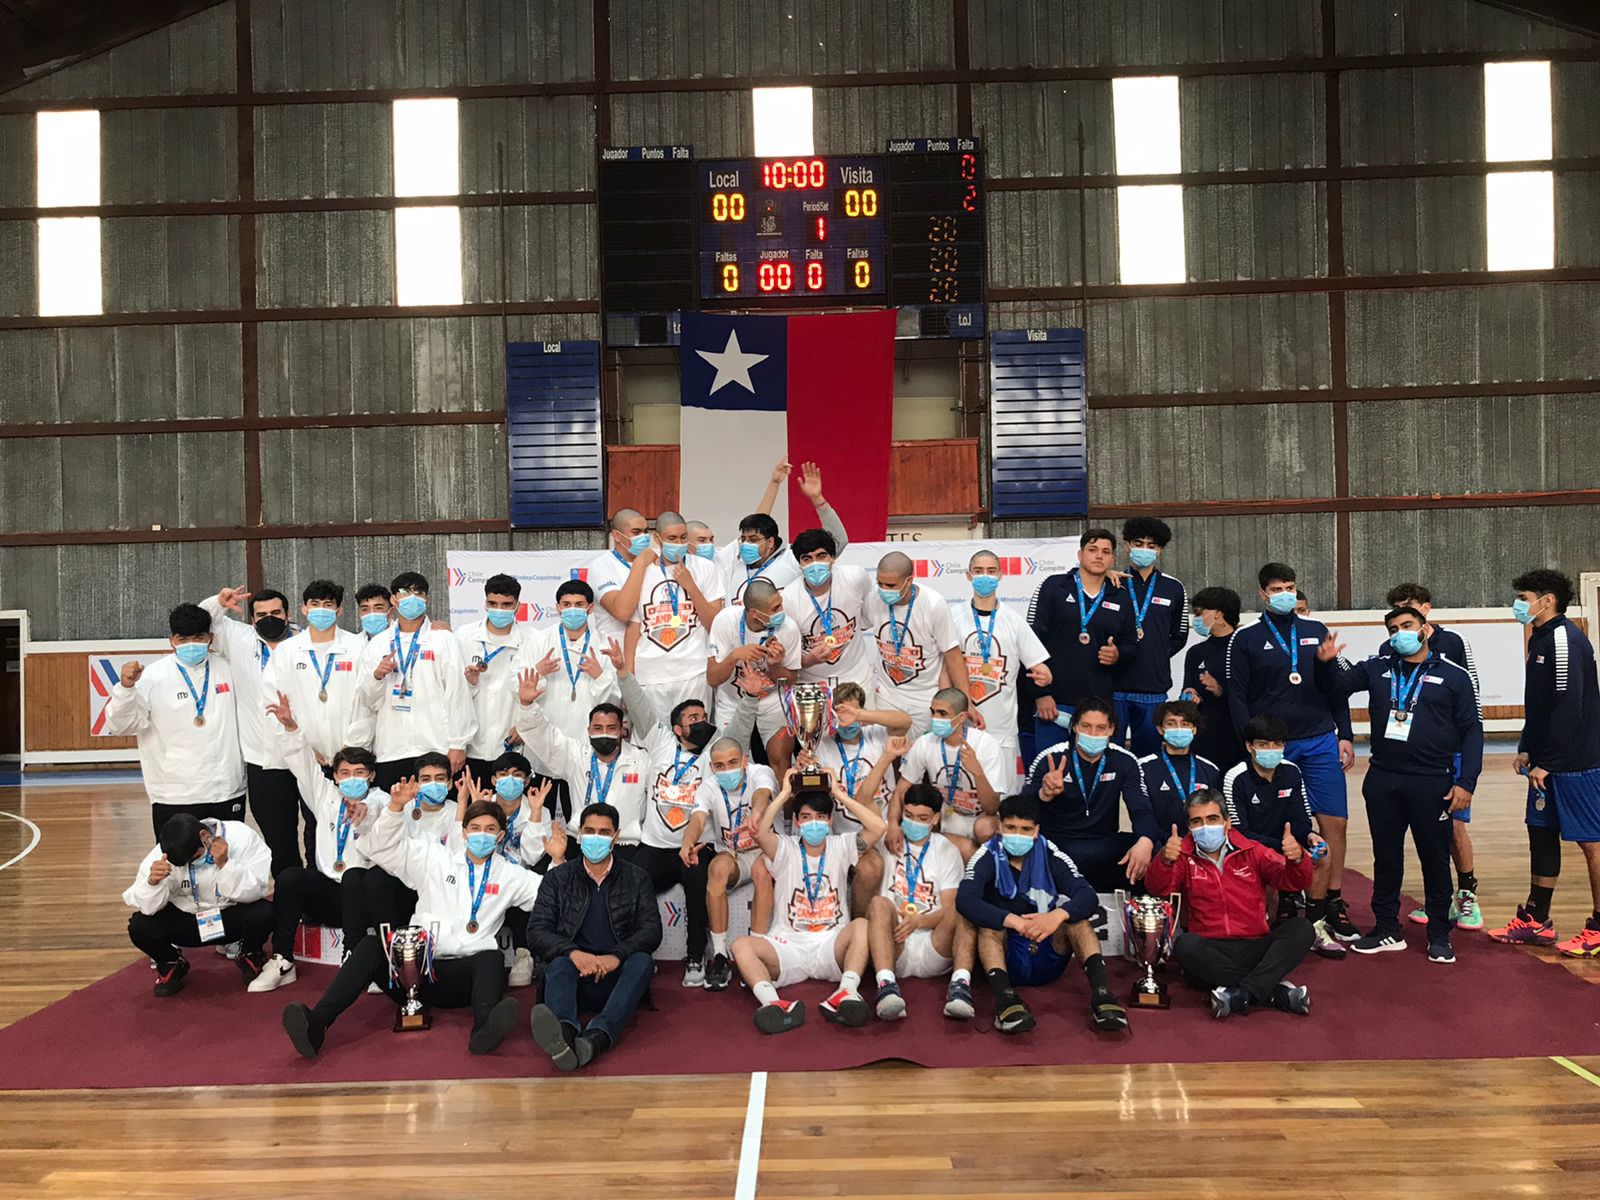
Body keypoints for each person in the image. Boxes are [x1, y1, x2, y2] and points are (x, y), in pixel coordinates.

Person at [280, 787, 535, 1058]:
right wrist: (394, 809)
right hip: (416, 969)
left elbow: (547, 895)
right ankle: (317, 1023)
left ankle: (485, 1029)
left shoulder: (511, 875)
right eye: (474, 827)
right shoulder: (434, 858)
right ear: (464, 832)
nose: (481, 834)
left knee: (492, 959)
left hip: (466, 979)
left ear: (499, 836)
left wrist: (557, 860)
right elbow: (384, 849)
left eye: (489, 829)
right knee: (371, 945)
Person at [1318, 607, 1482, 963]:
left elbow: (1472, 730)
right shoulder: (1378, 667)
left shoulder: (1453, 675)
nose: (1399, 633)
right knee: (1387, 857)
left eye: (1407, 626)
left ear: (1424, 628)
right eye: (1393, 628)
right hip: (1383, 779)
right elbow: (1340, 687)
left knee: (1435, 860)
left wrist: (1466, 782)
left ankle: (1439, 934)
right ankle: (1387, 929)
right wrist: (1329, 662)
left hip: (1432, 781)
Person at [1225, 563, 1357, 944]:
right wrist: (1247, 744)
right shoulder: (1245, 639)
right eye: (1277, 588)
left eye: (1291, 587)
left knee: (1335, 824)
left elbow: (1336, 690)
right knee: (1280, 826)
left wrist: (1344, 735)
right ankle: (1286, 895)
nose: (1285, 593)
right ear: (1263, 594)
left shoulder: (1317, 632)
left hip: (1318, 739)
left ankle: (1332, 899)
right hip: (1273, 747)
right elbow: (1237, 696)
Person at [616, 653, 758, 986]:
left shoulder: (715, 753)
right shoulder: (661, 741)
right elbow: (639, 707)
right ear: (678, 728)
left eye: (704, 716)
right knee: (633, 887)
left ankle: (696, 956)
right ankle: (641, 955)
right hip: (655, 845)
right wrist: (623, 673)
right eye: (693, 718)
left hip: (697, 845)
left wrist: (750, 697)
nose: (701, 722)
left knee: (698, 889)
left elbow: (738, 730)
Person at [1489, 569, 1600, 956]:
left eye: (1524, 596)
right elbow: (1541, 705)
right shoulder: (1539, 637)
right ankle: (1537, 919)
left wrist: (1548, 761)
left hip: (1575, 764)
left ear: (1546, 600)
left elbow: (1569, 705)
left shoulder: (1566, 639)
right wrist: (1525, 747)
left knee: (1591, 842)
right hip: (1545, 761)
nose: (1519, 604)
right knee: (1541, 833)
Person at [955, 793, 1127, 1033]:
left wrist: (1056, 917)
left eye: (1025, 829)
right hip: (1006, 954)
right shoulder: (986, 854)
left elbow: (1086, 895)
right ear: (999, 828)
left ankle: (1103, 996)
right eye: (1011, 827)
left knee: (1077, 920)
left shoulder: (1052, 853)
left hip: (1046, 946)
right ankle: (1006, 1001)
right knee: (988, 924)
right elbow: (965, 900)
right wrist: (1011, 920)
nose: (1018, 835)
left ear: (1036, 831)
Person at [732, 769, 887, 1033]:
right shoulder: (785, 848)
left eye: (819, 817)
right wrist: (784, 794)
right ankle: (775, 1005)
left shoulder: (843, 845)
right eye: (805, 817)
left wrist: (838, 794)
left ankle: (845, 993)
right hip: (788, 945)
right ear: (796, 820)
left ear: (829, 821)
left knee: (861, 925)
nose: (813, 823)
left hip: (830, 944)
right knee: (740, 946)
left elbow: (879, 827)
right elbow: (759, 835)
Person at [250, 692, 383, 992]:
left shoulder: (382, 802)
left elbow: (381, 817)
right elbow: (303, 765)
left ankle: (354, 956)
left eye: (360, 773)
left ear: (372, 776)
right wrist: (290, 726)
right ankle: (283, 960)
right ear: (335, 777)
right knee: (291, 877)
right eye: (345, 773)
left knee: (354, 877)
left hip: (363, 899)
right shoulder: (324, 796)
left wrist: (367, 814)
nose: (352, 779)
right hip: (329, 896)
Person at [1145, 789, 1314, 1019]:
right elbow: (1158, 888)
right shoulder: (1181, 856)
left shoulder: (1253, 851)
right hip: (1209, 950)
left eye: (1212, 819)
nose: (1205, 826)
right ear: (1189, 827)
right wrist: (1164, 860)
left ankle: (1242, 995)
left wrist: (1297, 860)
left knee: (1302, 929)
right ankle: (1272, 991)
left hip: (1254, 944)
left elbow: (1294, 882)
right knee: (1184, 946)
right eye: (1197, 821)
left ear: (1227, 822)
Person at [527, 802, 663, 1070]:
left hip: (617, 976)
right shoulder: (558, 878)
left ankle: (597, 1037)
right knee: (558, 963)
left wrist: (616, 956)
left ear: (616, 836)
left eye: (603, 832)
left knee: (642, 962)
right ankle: (564, 1035)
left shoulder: (637, 878)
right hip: (573, 974)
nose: (595, 838)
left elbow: (651, 930)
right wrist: (574, 954)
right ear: (579, 835)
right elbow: (536, 931)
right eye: (589, 831)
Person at [1384, 582, 1484, 930]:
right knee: (1428, 834)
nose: (1402, 622)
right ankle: (1437, 899)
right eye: (1395, 609)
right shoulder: (1391, 647)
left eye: (1408, 607)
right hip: (1410, 760)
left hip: (1451, 753)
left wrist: (1467, 766)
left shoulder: (1454, 642)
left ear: (1425, 608)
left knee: (1455, 826)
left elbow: (1471, 696)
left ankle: (1467, 895)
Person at [102, 603, 246, 837]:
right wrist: (126, 688)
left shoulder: (229, 670)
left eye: (198, 637)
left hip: (226, 790)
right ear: (172, 640)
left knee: (227, 862)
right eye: (183, 638)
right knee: (176, 867)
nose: (191, 644)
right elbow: (120, 726)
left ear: (210, 638)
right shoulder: (152, 676)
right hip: (174, 795)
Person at [196, 585, 302, 873]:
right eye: (262, 615)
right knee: (279, 838)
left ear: (287, 614)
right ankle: (288, 895)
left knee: (319, 831)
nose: (270, 619)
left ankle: (320, 896)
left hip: (308, 755)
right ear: (252, 620)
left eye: (276, 612)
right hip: (263, 760)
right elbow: (201, 618)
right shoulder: (240, 639)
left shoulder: (305, 642)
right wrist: (218, 601)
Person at [265, 580, 365, 865]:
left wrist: (351, 751)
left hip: (352, 759)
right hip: (309, 758)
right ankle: (319, 892)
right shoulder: (286, 651)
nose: (322, 610)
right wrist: (305, 751)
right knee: (314, 824)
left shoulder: (357, 646)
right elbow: (274, 705)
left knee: (358, 820)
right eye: (316, 604)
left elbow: (367, 703)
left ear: (340, 611)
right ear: (304, 609)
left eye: (329, 605)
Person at [349, 572, 476, 788]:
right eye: (405, 592)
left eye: (418, 592)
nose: (412, 597)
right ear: (393, 600)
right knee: (396, 815)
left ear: (426, 598)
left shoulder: (443, 639)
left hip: (437, 747)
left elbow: (457, 694)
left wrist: (458, 744)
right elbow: (367, 702)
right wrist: (377, 676)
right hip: (391, 749)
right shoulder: (378, 644)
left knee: (438, 816)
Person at [124, 813, 273, 996]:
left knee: (264, 912)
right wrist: (152, 884)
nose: (191, 864)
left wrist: (226, 865)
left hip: (229, 917)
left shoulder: (241, 837)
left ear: (204, 836)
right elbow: (147, 908)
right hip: (187, 922)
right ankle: (170, 962)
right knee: (140, 926)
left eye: (194, 858)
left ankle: (250, 954)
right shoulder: (161, 854)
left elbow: (257, 890)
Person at [1021, 698, 1157, 892]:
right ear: (1075, 727)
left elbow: (1141, 808)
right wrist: (1044, 794)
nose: (1093, 734)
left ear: (1111, 730)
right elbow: (1021, 810)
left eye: (1101, 728)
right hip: (1057, 843)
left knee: (1153, 847)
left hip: (1103, 841)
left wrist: (1145, 840)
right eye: (1086, 726)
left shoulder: (1125, 761)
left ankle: (1137, 914)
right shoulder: (1051, 758)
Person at [1023, 529, 1137, 752]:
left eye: (1105, 552)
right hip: (1054, 703)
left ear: (1112, 558)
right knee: (1050, 773)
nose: (1098, 556)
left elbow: (1132, 646)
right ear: (1080, 554)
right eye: (1092, 550)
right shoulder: (1054, 586)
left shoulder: (1120, 595)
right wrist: (1041, 694)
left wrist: (1118, 655)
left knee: (1094, 777)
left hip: (1097, 705)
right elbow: (1030, 643)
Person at [868, 783, 974, 1021]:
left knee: (964, 905)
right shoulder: (888, 841)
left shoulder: (946, 849)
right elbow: (864, 802)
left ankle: (960, 985)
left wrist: (920, 921)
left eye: (922, 817)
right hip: (895, 942)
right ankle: (886, 985)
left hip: (935, 943)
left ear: (936, 818)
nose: (914, 822)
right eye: (909, 816)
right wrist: (893, 823)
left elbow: (949, 908)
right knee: (877, 903)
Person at [949, 549, 1051, 792]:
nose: (985, 576)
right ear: (968, 575)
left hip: (1001, 728)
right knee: (961, 795)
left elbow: (1040, 666)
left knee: (1000, 795)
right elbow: (944, 668)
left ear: (1001, 575)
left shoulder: (1013, 620)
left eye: (991, 571)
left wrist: (1044, 675)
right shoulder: (953, 617)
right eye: (979, 571)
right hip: (960, 725)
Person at [514, 670, 650, 849]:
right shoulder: (575, 755)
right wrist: (527, 705)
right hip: (581, 841)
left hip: (626, 843)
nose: (604, 733)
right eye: (598, 727)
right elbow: (544, 735)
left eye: (611, 728)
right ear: (588, 730)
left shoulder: (642, 760)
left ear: (622, 730)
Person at [684, 736, 778, 990]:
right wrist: (687, 843)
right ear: (713, 768)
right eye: (720, 765)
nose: (727, 770)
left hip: (763, 849)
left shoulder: (760, 772)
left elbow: (762, 793)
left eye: (733, 762)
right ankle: (719, 954)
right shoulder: (709, 786)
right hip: (733, 853)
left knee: (762, 870)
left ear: (745, 761)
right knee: (716, 869)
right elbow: (698, 819)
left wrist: (756, 814)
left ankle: (756, 951)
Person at [521, 580, 618, 818]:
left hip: (585, 747)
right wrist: (539, 673)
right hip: (544, 743)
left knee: (581, 817)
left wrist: (600, 677)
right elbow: (520, 687)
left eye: (578, 604)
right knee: (539, 819)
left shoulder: (605, 644)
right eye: (566, 604)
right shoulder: (538, 641)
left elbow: (615, 701)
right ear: (557, 607)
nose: (572, 609)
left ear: (590, 608)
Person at [626, 509, 725, 718]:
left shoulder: (705, 568)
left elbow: (715, 624)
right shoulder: (642, 572)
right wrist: (629, 678)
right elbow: (634, 628)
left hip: (693, 671)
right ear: (657, 538)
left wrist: (691, 587)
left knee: (696, 739)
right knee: (654, 742)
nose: (678, 543)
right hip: (650, 674)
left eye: (682, 538)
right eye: (671, 538)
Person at [890, 687, 1007, 861]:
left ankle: (988, 872)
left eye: (942, 713)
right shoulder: (925, 743)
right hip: (946, 815)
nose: (935, 718)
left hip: (979, 817)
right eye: (933, 712)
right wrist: (892, 823)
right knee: (923, 817)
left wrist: (977, 773)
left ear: (961, 718)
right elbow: (901, 789)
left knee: (986, 828)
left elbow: (992, 808)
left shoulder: (986, 744)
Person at [863, 551, 970, 738]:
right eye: (879, 583)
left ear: (909, 580)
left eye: (890, 585)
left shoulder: (933, 604)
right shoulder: (873, 599)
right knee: (888, 758)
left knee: (919, 759)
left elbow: (952, 655)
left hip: (925, 698)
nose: (883, 590)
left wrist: (965, 702)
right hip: (887, 695)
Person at [716, 459, 849, 604]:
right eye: (743, 539)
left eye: (753, 539)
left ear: (770, 542)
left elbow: (838, 540)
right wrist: (774, 483)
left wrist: (817, 499)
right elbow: (758, 521)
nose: (746, 544)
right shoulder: (734, 558)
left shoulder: (792, 559)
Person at [707, 578, 801, 773]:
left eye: (780, 603)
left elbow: (790, 680)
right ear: (754, 613)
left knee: (781, 761)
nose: (781, 611)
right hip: (734, 701)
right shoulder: (725, 621)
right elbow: (712, 679)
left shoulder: (788, 628)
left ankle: (781, 803)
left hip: (772, 700)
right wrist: (734, 656)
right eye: (775, 608)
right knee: (729, 763)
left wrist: (775, 667)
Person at [1114, 518, 1189, 757]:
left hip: (1152, 688)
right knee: (1111, 756)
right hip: (1113, 686)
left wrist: (1155, 653)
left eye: (1151, 545)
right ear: (1127, 545)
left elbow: (1180, 634)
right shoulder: (1112, 582)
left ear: (1160, 549)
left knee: (1149, 758)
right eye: (1138, 543)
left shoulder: (1174, 588)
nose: (1144, 549)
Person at [456, 573, 532, 786]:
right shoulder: (463, 637)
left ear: (517, 605)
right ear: (485, 603)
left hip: (514, 746)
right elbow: (451, 692)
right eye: (493, 603)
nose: (499, 609)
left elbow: (543, 690)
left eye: (506, 604)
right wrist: (470, 683)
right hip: (472, 747)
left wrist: (525, 726)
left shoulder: (534, 639)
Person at [782, 528, 877, 695]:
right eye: (807, 559)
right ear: (800, 564)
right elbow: (787, 660)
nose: (815, 564)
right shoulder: (788, 599)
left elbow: (865, 618)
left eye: (821, 556)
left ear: (833, 558)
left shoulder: (855, 578)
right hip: (812, 685)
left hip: (857, 677)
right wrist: (808, 660)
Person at [1137, 698, 1222, 834]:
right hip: (1159, 847)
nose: (1178, 729)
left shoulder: (1210, 769)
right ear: (1160, 729)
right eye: (1171, 724)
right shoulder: (1143, 768)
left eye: (1185, 724)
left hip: (1202, 845)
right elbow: (1142, 815)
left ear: (1194, 729)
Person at [1182, 586, 1243, 774]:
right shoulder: (1196, 652)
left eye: (1200, 613)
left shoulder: (1244, 646)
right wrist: (1190, 695)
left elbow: (1256, 692)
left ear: (1217, 614)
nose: (1196, 619)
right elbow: (1188, 687)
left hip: (1238, 737)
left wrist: (1220, 690)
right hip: (1206, 740)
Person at [585, 508, 660, 648]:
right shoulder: (601, 565)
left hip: (651, 652)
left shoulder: (655, 560)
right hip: (616, 653)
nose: (643, 537)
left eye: (645, 532)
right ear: (617, 536)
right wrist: (640, 564)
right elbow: (622, 612)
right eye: (636, 532)